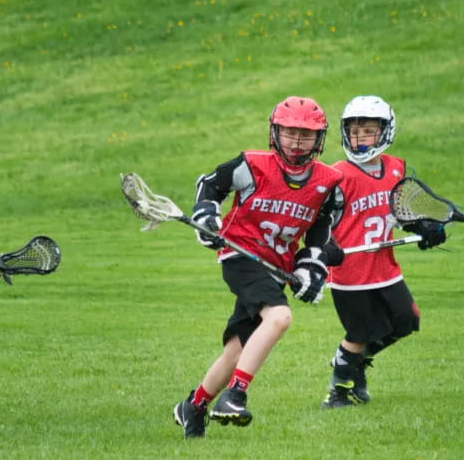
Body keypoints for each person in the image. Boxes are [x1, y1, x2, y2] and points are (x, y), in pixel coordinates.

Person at [172, 96, 345, 438]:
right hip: (241, 255)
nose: (297, 142)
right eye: (289, 133)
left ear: (319, 139)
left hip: (276, 267)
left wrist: (311, 269)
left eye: (306, 135)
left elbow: (319, 239)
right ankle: (234, 395)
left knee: (237, 350)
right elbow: (210, 184)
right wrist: (207, 214)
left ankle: (194, 405)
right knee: (279, 317)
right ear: (274, 133)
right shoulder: (251, 165)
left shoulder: (328, 184)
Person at [321, 96, 447, 409]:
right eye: (354, 130)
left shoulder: (397, 169)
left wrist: (425, 228)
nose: (360, 137)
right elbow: (319, 221)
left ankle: (355, 362)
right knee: (361, 331)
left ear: (385, 132)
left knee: (406, 321)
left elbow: (403, 212)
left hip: (385, 267)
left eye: (368, 131)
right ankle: (338, 391)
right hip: (350, 272)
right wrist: (325, 246)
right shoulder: (338, 175)